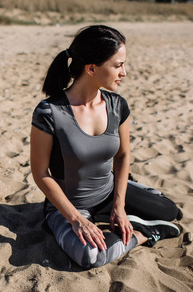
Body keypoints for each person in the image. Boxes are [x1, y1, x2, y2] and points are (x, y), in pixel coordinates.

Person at [30, 25, 181, 269]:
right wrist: (77, 219)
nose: (124, 72)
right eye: (118, 65)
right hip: (70, 206)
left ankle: (124, 211)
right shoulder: (49, 112)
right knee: (90, 256)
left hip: (108, 193)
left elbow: (123, 155)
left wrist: (119, 207)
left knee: (170, 211)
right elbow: (40, 174)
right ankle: (145, 233)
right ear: (91, 68)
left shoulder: (117, 105)